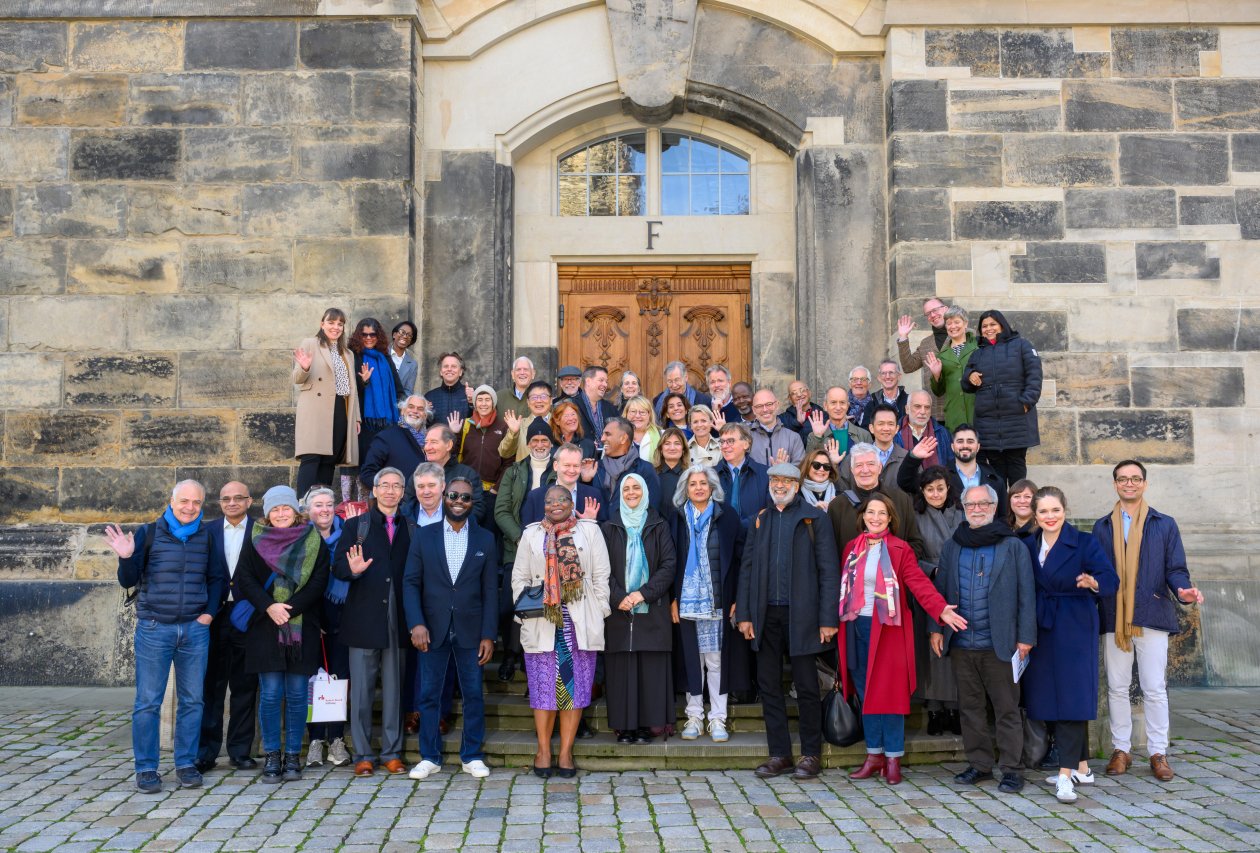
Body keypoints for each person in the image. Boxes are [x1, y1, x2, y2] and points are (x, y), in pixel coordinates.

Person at [839, 493, 968, 785]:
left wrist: (940, 609)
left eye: (881, 514)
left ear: (890, 518)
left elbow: (919, 583)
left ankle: (893, 758)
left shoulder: (899, 549)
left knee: (890, 696)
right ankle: (874, 756)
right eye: (871, 512)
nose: (875, 518)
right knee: (866, 693)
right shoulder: (851, 549)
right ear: (863, 516)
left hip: (888, 630)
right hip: (855, 627)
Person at [1093, 460, 1203, 783]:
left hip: (1152, 614)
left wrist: (1183, 591)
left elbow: (1175, 569)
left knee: (1154, 688)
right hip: (1114, 615)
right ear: (1115, 484)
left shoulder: (1164, 524)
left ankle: (1158, 752)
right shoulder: (1102, 526)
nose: (1129, 484)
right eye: (1123, 479)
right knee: (1117, 686)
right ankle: (1121, 749)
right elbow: (1099, 570)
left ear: (1144, 483)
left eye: (1135, 479)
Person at [107, 480, 220, 794]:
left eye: (196, 502)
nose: (190, 507)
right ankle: (146, 769)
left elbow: (216, 578)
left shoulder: (207, 536)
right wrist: (126, 557)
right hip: (155, 628)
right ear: (171, 501)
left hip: (195, 630)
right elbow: (127, 580)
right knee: (148, 702)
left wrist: (208, 614)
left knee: (193, 700)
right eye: (184, 501)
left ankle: (186, 763)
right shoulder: (150, 533)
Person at [736, 463, 840, 780]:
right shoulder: (761, 519)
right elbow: (747, 569)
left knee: (808, 687)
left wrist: (827, 619)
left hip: (804, 616)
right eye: (775, 480)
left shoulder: (814, 518)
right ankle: (779, 753)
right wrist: (744, 614)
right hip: (766, 615)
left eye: (786, 480)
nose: (779, 485)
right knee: (769, 686)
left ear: (797, 484)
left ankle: (810, 754)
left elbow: (828, 571)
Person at [933, 485, 1037, 793]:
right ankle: (979, 765)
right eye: (971, 504)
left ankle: (1012, 768)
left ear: (993, 506)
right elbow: (939, 592)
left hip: (1001, 643)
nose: (977, 509)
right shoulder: (953, 545)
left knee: (1007, 709)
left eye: (984, 503)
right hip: (963, 643)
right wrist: (935, 629)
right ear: (964, 508)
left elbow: (1026, 594)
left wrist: (1026, 637)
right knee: (970, 708)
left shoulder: (1012, 545)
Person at [1022, 486, 1119, 804]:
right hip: (1043, 625)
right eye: (1043, 512)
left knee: (1072, 697)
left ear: (1065, 509)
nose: (1050, 517)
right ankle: (1082, 767)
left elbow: (1110, 578)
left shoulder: (1083, 542)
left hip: (1075, 624)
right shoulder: (1028, 543)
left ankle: (1065, 776)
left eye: (1055, 510)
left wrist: (1094, 582)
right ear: (1034, 515)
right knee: (1049, 695)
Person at [513, 486, 612, 778]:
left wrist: (600, 609)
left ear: (572, 503)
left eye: (562, 500)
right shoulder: (532, 533)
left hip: (578, 620)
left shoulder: (590, 532)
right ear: (543, 505)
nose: (555, 504)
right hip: (541, 619)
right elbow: (518, 576)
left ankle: (566, 752)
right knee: (543, 689)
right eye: (549, 501)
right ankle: (543, 750)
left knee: (574, 689)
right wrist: (526, 607)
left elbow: (601, 576)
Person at [405, 476, 499, 780]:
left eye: (466, 498)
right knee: (429, 694)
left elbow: (490, 591)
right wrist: (416, 623)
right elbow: (411, 582)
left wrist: (488, 634)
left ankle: (471, 755)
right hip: (431, 629)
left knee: (473, 694)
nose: (459, 501)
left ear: (473, 503)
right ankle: (429, 756)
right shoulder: (424, 535)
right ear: (445, 496)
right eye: (454, 495)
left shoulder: (485, 539)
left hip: (472, 630)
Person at [235, 485, 330, 784]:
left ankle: (292, 756)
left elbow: (318, 582)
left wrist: (287, 608)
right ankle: (272, 756)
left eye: (285, 508)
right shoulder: (254, 539)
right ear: (266, 513)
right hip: (265, 628)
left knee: (299, 694)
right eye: (274, 510)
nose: (280, 514)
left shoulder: (314, 540)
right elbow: (244, 579)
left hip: (302, 628)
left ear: (295, 510)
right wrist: (269, 606)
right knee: (272, 694)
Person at [332, 468, 413, 778]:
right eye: (385, 485)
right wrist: (352, 569)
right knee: (362, 692)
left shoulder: (412, 527)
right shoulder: (356, 527)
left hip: (400, 617)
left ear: (403, 492)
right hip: (364, 618)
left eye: (397, 485)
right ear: (375, 491)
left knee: (394, 690)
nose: (391, 491)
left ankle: (392, 752)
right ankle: (364, 754)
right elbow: (338, 566)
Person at [601, 474, 677, 744]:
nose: (631, 493)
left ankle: (648, 726)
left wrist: (642, 594)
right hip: (619, 610)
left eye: (636, 488)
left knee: (650, 670)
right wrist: (618, 596)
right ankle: (626, 727)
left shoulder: (659, 525)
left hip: (652, 608)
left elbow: (668, 565)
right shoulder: (609, 527)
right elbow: (601, 569)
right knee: (622, 670)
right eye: (626, 489)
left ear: (645, 492)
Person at [673, 466, 746, 742]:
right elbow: (672, 562)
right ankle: (694, 715)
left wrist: (737, 597)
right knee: (693, 660)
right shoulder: (678, 518)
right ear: (686, 489)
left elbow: (738, 560)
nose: (699, 488)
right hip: (688, 603)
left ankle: (718, 719)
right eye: (693, 484)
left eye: (704, 483)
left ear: (713, 487)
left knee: (716, 662)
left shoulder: (727, 517)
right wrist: (673, 599)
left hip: (719, 599)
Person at [197, 482, 257, 774]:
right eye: (225, 499)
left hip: (248, 615)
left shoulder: (260, 530)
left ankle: (240, 750)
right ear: (219, 503)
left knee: (245, 686)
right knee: (212, 686)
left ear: (249, 501)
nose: (232, 503)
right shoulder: (206, 531)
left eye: (238, 498)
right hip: (214, 615)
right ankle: (206, 752)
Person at [494, 420, 557, 682]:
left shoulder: (557, 470)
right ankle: (510, 654)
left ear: (551, 444)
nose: (540, 444)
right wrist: (522, 539)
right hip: (517, 546)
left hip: (552, 547)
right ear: (528, 443)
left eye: (544, 441)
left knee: (545, 602)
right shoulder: (515, 471)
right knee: (514, 601)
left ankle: (536, 658)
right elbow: (502, 510)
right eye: (535, 441)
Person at [908, 465, 963, 736]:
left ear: (948, 488)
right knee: (931, 651)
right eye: (930, 489)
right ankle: (933, 709)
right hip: (927, 588)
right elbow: (908, 556)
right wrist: (932, 569)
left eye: (940, 488)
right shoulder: (915, 516)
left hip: (960, 588)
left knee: (954, 649)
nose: (936, 493)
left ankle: (954, 708)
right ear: (922, 491)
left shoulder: (961, 513)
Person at [302, 486, 352, 768]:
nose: (324, 509)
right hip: (311, 619)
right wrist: (313, 618)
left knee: (339, 680)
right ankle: (315, 740)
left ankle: (336, 739)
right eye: (318, 505)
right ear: (308, 511)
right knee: (313, 682)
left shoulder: (348, 535)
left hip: (343, 617)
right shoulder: (302, 538)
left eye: (329, 504)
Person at [963, 309, 1043, 485]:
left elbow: (1034, 377)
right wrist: (970, 375)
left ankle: (1018, 512)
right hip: (988, 424)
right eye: (984, 326)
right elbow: (966, 384)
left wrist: (1025, 403)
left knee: (1017, 474)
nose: (988, 329)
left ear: (1002, 325)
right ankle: (1000, 512)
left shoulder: (1022, 345)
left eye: (993, 324)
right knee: (995, 476)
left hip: (1016, 421)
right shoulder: (978, 353)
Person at [293, 307, 361, 497]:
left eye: (340, 324)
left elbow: (352, 388)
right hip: (316, 409)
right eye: (331, 322)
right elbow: (296, 378)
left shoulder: (347, 353)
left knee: (330, 460)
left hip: (341, 408)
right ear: (322, 324)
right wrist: (305, 368)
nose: (336, 327)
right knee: (312, 457)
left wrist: (356, 418)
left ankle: (322, 503)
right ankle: (304, 505)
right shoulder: (310, 344)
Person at [828, 442, 925, 558]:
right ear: (852, 470)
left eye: (870, 464)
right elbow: (830, 552)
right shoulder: (837, 506)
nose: (865, 470)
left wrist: (895, 566)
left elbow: (915, 543)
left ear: (880, 468)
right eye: (859, 465)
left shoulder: (901, 500)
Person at [898, 424, 1007, 513]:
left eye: (970, 441)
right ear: (952, 447)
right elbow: (905, 482)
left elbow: (1003, 518)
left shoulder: (995, 481)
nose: (965, 445)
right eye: (960, 441)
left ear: (978, 447)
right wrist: (913, 457)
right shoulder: (940, 476)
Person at [349, 317, 405, 464]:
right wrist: (364, 381)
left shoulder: (385, 358)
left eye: (372, 334)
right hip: (363, 422)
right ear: (358, 336)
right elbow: (349, 391)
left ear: (378, 336)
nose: (368, 338)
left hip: (387, 422)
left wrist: (404, 409)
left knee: (385, 462)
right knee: (365, 462)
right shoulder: (353, 356)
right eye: (364, 334)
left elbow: (398, 389)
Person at [520, 442, 606, 526]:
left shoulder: (594, 495)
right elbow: (527, 533)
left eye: (576, 466)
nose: (572, 470)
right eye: (567, 465)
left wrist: (591, 522)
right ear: (555, 466)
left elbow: (604, 530)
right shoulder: (535, 497)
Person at [359, 394, 429, 498]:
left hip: (422, 504)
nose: (415, 411)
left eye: (420, 409)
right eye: (411, 407)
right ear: (402, 411)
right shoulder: (386, 437)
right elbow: (367, 474)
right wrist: (390, 491)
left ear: (425, 415)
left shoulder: (429, 440)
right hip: (393, 505)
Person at [591, 417, 663, 513]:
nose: (602, 439)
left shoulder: (645, 469)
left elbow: (653, 508)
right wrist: (586, 481)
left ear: (623, 438)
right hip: (601, 527)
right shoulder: (595, 468)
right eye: (603, 434)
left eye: (608, 434)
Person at [897, 297, 951, 419]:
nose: (933, 315)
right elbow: (908, 366)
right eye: (928, 313)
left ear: (946, 309)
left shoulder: (966, 335)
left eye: (935, 310)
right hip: (935, 412)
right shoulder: (925, 343)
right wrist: (903, 337)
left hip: (960, 410)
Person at [422, 423, 487, 524]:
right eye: (426, 442)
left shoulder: (468, 474)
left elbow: (478, 509)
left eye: (433, 442)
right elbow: (408, 503)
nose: (427, 447)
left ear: (449, 445)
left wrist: (456, 526)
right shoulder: (419, 473)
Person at [926, 306, 978, 432]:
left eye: (956, 322)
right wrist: (936, 375)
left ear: (965, 323)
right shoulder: (942, 356)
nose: (952, 326)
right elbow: (938, 392)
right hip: (954, 414)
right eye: (949, 323)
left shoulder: (978, 346)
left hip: (977, 410)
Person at [455, 385, 510, 496]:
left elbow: (508, 462)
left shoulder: (503, 427)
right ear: (475, 404)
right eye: (480, 400)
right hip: (466, 488)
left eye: (487, 400)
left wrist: (496, 489)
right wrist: (455, 433)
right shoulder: (465, 425)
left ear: (493, 403)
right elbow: (453, 454)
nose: (483, 404)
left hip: (491, 491)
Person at [715, 422, 769, 529]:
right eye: (722, 442)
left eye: (730, 441)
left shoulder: (765, 474)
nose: (725, 446)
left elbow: (769, 510)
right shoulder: (711, 475)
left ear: (746, 444)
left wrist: (746, 525)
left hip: (755, 537)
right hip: (722, 539)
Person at [839, 404, 905, 489]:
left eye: (890, 424)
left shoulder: (906, 459)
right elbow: (843, 489)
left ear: (897, 428)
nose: (886, 428)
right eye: (881, 424)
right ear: (871, 428)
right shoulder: (855, 457)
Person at [802, 386, 873, 459]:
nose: (838, 407)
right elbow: (809, 464)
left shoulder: (863, 435)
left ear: (848, 406)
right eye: (833, 402)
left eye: (842, 402)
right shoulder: (814, 436)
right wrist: (817, 437)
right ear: (825, 406)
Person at [895, 390, 954, 469]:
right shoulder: (895, 433)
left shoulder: (942, 433)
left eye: (927, 407)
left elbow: (951, 465)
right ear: (907, 409)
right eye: (917, 406)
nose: (923, 412)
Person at [500, 380, 556, 461]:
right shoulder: (520, 424)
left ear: (551, 400)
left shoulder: (559, 423)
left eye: (543, 396)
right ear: (528, 402)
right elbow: (504, 453)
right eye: (534, 397)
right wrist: (513, 433)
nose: (539, 401)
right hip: (525, 473)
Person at [749, 389, 804, 466]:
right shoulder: (745, 436)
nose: (765, 409)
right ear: (754, 410)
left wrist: (783, 471)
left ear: (777, 405)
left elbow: (800, 469)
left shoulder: (793, 438)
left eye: (769, 404)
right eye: (759, 406)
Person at [425, 351, 473, 426]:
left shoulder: (472, 394)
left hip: (464, 438)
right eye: (446, 366)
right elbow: (424, 426)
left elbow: (478, 422)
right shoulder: (429, 396)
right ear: (441, 371)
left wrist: (472, 404)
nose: (449, 369)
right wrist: (424, 412)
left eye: (454, 366)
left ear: (460, 372)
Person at [573, 365, 618, 444]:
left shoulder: (611, 408)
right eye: (601, 380)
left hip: (607, 454)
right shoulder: (572, 405)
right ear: (588, 381)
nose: (605, 385)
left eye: (606, 381)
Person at [655, 427, 690, 525]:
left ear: (683, 449)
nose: (672, 448)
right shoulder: (651, 475)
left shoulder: (690, 476)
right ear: (661, 449)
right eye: (667, 443)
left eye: (677, 443)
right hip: (657, 531)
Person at [861, 360, 909, 426]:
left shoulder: (910, 402)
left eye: (891, 372)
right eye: (883, 373)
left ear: (899, 376)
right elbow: (866, 433)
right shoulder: (871, 405)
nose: (887, 376)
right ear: (879, 378)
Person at [623, 394, 662, 465]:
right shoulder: (616, 436)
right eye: (633, 411)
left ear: (649, 415)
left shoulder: (662, 436)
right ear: (626, 414)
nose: (637, 416)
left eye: (642, 412)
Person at [389, 320, 420, 397]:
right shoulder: (382, 355)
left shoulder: (412, 364)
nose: (405, 336)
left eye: (409, 335)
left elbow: (408, 391)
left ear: (411, 341)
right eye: (402, 332)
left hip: (397, 405)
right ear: (394, 335)